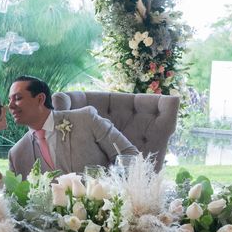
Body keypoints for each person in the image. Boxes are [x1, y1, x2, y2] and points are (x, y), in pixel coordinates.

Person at [7, 76, 139, 178]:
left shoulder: (86, 119)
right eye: (9, 100)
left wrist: (112, 193)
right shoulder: (17, 154)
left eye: (17, 98)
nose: (10, 106)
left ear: (40, 99)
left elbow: (130, 155)